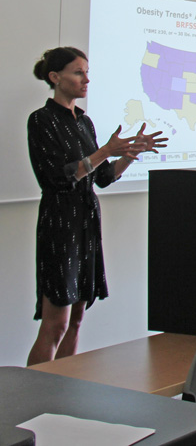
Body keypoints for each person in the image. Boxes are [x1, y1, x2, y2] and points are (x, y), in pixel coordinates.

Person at [26, 47, 165, 365]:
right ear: (55, 77)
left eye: (87, 72)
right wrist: (105, 150)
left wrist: (128, 155)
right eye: (78, 72)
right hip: (59, 225)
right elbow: (60, 178)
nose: (86, 79)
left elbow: (102, 177)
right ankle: (32, 395)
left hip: (85, 225)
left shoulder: (84, 122)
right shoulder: (42, 120)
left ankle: (63, 390)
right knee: (55, 323)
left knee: (76, 319)